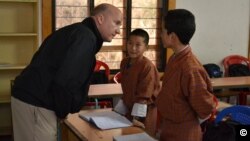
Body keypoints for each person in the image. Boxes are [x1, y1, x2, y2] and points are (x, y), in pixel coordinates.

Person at [11, 3, 122, 141]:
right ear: (100, 19)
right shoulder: (85, 38)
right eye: (116, 23)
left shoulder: (77, 32)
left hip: (31, 99)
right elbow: (65, 82)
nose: (118, 31)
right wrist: (62, 111)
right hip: (37, 103)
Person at [156, 9, 217, 141]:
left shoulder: (190, 68)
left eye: (162, 31)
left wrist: (187, 122)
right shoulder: (175, 58)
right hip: (169, 127)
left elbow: (205, 108)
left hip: (184, 133)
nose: (160, 34)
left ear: (172, 36)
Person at [114, 28, 161, 136]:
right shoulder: (124, 62)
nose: (133, 48)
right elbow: (126, 91)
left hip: (143, 113)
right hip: (129, 111)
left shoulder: (147, 66)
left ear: (146, 48)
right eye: (130, 43)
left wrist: (136, 118)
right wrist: (118, 113)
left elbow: (144, 95)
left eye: (138, 45)